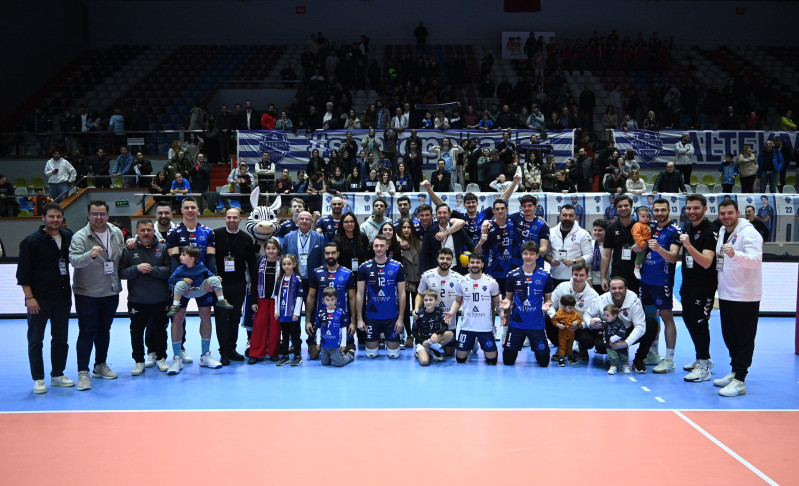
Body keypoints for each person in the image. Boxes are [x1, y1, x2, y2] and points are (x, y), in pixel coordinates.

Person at [17, 203, 75, 394]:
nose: (55, 220)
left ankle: (57, 374)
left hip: (62, 297)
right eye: (51, 216)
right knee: (36, 340)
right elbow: (23, 273)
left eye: (58, 216)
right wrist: (29, 297)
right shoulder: (30, 242)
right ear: (43, 218)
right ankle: (38, 379)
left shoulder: (67, 236)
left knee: (61, 339)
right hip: (38, 299)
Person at [69, 200, 125, 391]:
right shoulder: (80, 236)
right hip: (87, 293)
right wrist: (90, 255)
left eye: (102, 214)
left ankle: (100, 365)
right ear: (88, 215)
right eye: (94, 214)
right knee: (86, 332)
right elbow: (74, 261)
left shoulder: (116, 232)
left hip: (110, 290)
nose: (99, 217)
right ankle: (82, 372)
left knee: (104, 330)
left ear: (108, 215)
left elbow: (120, 256)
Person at [164, 197, 220, 374]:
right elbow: (174, 260)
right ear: (181, 210)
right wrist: (179, 282)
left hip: (203, 283)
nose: (190, 210)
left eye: (193, 207)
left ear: (198, 210)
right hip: (183, 283)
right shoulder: (173, 232)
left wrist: (212, 281)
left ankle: (205, 356)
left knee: (206, 315)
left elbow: (211, 259)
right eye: (186, 207)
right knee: (178, 318)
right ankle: (177, 358)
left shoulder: (208, 232)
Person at [714, 199, 763, 397]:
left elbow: (756, 260)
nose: (726, 216)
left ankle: (740, 379)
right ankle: (735, 371)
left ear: (738, 213)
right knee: (730, 336)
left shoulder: (749, 233)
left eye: (730, 213)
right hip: (726, 293)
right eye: (722, 213)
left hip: (745, 295)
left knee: (743, 338)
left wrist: (735, 254)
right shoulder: (723, 231)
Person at [119, 219, 171, 375]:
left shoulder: (163, 247)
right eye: (142, 230)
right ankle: (139, 361)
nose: (146, 233)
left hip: (160, 298)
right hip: (137, 300)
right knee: (136, 332)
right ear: (137, 232)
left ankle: (161, 357)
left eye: (149, 230)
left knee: (161, 330)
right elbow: (121, 272)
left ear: (154, 231)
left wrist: (153, 270)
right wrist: (137, 268)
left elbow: (170, 270)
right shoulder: (129, 249)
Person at [639, 198, 682, 374]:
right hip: (646, 280)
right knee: (651, 317)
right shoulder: (650, 228)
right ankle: (653, 353)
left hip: (661, 282)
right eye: (656, 210)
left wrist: (658, 249)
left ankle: (669, 359)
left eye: (663, 210)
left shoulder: (674, 231)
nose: (659, 213)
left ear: (669, 211)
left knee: (666, 317)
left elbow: (673, 257)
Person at [679, 194, 718, 383]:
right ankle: (702, 357)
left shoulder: (710, 231)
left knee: (700, 322)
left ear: (705, 209)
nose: (691, 211)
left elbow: (706, 262)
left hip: (703, 285)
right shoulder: (688, 227)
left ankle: (704, 367)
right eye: (689, 208)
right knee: (688, 319)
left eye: (696, 208)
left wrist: (687, 245)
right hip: (688, 282)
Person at [583, 276, 655, 373]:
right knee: (601, 347)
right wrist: (590, 324)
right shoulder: (601, 299)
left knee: (651, 324)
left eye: (620, 288)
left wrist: (626, 343)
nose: (617, 291)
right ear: (609, 289)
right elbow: (587, 314)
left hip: (627, 331)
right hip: (609, 332)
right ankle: (612, 355)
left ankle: (639, 359)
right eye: (614, 288)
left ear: (626, 288)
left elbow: (640, 326)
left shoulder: (634, 300)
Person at [213, 208, 256, 365]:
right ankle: (223, 352)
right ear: (225, 218)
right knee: (221, 318)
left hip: (239, 284)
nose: (232, 220)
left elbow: (252, 263)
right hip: (219, 285)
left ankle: (232, 349)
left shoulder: (246, 238)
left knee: (235, 318)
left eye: (235, 217)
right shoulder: (216, 235)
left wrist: (252, 283)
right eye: (229, 217)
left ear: (240, 219)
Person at [499, 242, 553, 366]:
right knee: (508, 361)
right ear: (522, 255)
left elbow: (548, 299)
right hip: (517, 323)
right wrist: (506, 303)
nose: (528, 257)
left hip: (536, 324)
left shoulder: (545, 276)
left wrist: (547, 304)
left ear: (537, 256)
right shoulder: (512, 275)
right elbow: (508, 298)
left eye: (532, 254)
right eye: (525, 254)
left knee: (544, 362)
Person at [356, 234, 406, 359]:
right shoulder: (364, 267)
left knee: (394, 355)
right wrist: (360, 319)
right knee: (371, 354)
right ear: (372, 247)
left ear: (387, 247)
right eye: (376, 246)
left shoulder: (397, 266)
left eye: (382, 246)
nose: (379, 248)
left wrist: (401, 319)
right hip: (372, 316)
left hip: (391, 316)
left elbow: (402, 293)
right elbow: (360, 293)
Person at [445, 253, 500, 365]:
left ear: (482, 264)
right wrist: (451, 312)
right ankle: (472, 343)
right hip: (467, 326)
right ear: (468, 264)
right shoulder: (461, 281)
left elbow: (497, 302)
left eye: (478, 262)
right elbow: (458, 301)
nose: (475, 265)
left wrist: (502, 313)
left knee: (492, 360)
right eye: (472, 262)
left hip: (485, 327)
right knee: (460, 359)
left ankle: (476, 342)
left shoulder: (491, 282)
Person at [305, 243, 357, 360]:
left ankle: (335, 349)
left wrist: (353, 322)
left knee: (349, 350)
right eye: (327, 253)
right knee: (313, 355)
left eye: (333, 253)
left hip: (341, 319)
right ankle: (328, 349)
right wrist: (308, 321)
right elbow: (311, 297)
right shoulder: (316, 272)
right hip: (322, 319)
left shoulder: (347, 273)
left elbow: (352, 298)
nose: (330, 256)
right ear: (324, 255)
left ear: (338, 254)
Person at [416, 248, 463, 357]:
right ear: (437, 259)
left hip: (449, 318)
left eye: (448, 259)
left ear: (452, 260)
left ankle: (432, 347)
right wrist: (416, 308)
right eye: (442, 258)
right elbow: (420, 294)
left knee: (450, 353)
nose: (445, 261)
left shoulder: (458, 278)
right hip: (429, 319)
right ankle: (426, 346)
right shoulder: (427, 275)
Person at [249, 238, 282, 363]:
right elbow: (253, 282)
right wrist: (254, 301)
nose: (271, 251)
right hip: (261, 298)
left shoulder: (282, 263)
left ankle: (274, 352)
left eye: (274, 248)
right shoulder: (259, 262)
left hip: (276, 299)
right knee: (259, 326)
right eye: (268, 248)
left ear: (278, 249)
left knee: (275, 327)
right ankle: (255, 353)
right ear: (265, 250)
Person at [601, 195, 641, 295]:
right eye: (620, 206)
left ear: (631, 207)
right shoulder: (610, 228)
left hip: (637, 274)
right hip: (617, 274)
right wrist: (603, 278)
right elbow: (606, 255)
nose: (623, 208)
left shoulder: (640, 227)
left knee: (635, 302)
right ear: (616, 208)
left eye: (626, 205)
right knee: (616, 302)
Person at [546, 204, 593, 288]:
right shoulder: (551, 232)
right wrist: (550, 260)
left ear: (575, 217)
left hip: (575, 278)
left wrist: (574, 261)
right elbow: (544, 253)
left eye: (571, 215)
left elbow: (589, 256)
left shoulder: (583, 234)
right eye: (564, 215)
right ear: (559, 216)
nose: (567, 218)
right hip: (555, 277)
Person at [420, 204, 472, 274]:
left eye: (444, 213)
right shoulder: (430, 232)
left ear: (449, 215)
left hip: (455, 270)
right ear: (436, 215)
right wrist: (423, 274)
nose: (442, 215)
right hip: (436, 272)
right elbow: (423, 255)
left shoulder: (457, 230)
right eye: (439, 213)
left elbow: (471, 245)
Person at [274, 254, 305, 366]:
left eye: (289, 264)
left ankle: (297, 355)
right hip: (283, 314)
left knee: (295, 335)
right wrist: (276, 311)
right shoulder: (280, 280)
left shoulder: (297, 280)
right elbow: (276, 297)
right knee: (285, 335)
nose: (286, 266)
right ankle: (285, 356)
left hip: (293, 314)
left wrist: (296, 313)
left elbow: (300, 298)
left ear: (294, 265)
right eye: (284, 264)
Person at [281, 211, 325, 288]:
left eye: (307, 219)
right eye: (301, 219)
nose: (304, 221)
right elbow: (283, 257)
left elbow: (323, 259)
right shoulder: (288, 237)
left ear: (312, 222)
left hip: (313, 279)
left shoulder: (319, 238)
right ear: (297, 221)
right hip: (293, 277)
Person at [315, 287, 356, 367]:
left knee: (339, 363)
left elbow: (344, 329)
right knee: (324, 363)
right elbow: (318, 329)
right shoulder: (321, 313)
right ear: (323, 300)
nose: (330, 302)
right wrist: (318, 342)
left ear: (336, 300)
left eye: (332, 299)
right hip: (324, 345)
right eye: (327, 300)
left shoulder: (340, 312)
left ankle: (350, 355)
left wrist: (343, 343)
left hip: (335, 345)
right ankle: (335, 355)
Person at [412, 289, 451, 365]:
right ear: (423, 301)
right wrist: (422, 341)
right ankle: (419, 351)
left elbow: (445, 326)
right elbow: (414, 332)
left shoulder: (439, 311)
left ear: (436, 301)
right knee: (424, 362)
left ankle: (433, 348)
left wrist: (436, 333)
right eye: (426, 300)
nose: (428, 302)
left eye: (431, 300)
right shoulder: (419, 314)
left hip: (434, 339)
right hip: (422, 341)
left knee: (450, 334)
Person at [551, 294, 582, 366]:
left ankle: (570, 357)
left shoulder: (575, 313)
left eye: (573, 307)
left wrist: (577, 322)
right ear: (563, 306)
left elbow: (580, 319)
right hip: (562, 334)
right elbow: (554, 320)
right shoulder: (560, 313)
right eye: (570, 308)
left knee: (570, 346)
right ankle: (561, 358)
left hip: (571, 333)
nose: (572, 309)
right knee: (562, 346)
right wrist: (558, 325)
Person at [601, 305, 629, 374]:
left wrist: (613, 338)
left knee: (623, 355)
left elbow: (622, 333)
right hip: (610, 344)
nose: (605, 317)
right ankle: (613, 366)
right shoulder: (607, 322)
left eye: (607, 315)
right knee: (612, 356)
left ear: (615, 315)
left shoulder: (619, 323)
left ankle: (625, 365)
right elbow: (602, 324)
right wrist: (597, 321)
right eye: (604, 315)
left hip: (620, 343)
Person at [631, 206, 651, 280]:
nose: (646, 218)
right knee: (640, 255)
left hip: (646, 242)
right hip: (640, 242)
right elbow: (636, 235)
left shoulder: (646, 225)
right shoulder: (637, 225)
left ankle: (640, 266)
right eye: (643, 217)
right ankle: (636, 269)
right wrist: (642, 243)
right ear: (636, 217)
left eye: (647, 217)